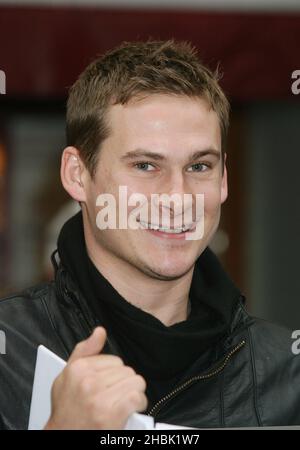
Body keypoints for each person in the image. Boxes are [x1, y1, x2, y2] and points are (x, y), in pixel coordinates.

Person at [0, 40, 299, 430]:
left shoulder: (288, 375)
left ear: (223, 178)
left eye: (199, 166)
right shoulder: (9, 353)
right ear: (78, 174)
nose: (178, 198)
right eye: (145, 165)